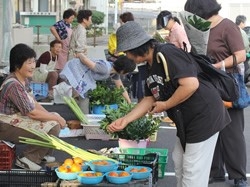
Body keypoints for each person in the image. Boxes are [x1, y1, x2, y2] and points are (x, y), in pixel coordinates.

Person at [107, 21, 231, 187]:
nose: (127, 57)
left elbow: (191, 84)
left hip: (204, 115)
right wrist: (126, 120)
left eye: (128, 52)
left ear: (136, 48)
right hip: (185, 119)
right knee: (179, 163)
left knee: (192, 172)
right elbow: (149, 98)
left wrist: (165, 105)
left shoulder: (166, 53)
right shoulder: (150, 65)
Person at [184, 0, 248, 186]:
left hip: (227, 84)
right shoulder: (201, 29)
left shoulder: (228, 26)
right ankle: (215, 171)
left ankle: (238, 176)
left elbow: (241, 55)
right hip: (207, 84)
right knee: (211, 128)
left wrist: (217, 66)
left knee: (232, 132)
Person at [0, 44, 67, 171]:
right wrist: (53, 119)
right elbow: (32, 113)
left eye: (33, 62)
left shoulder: (24, 80)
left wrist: (52, 116)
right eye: (29, 62)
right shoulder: (13, 85)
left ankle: (42, 153)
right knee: (53, 125)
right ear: (17, 65)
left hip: (15, 120)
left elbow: (33, 102)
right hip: (5, 126)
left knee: (53, 119)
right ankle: (27, 158)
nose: (33, 66)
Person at [60, 54, 136, 104]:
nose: (127, 74)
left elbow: (121, 88)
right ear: (123, 70)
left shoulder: (114, 73)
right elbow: (85, 60)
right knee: (83, 95)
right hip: (75, 69)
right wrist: (80, 54)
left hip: (84, 76)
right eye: (128, 72)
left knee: (82, 95)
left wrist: (129, 102)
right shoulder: (104, 69)